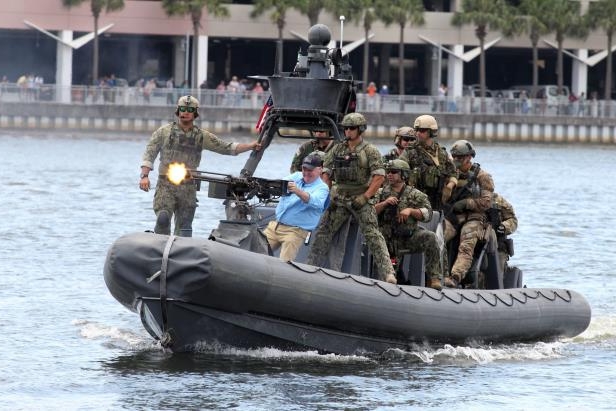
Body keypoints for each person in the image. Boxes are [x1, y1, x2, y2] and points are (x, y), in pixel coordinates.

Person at [139, 95, 261, 237]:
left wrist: (250, 146)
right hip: (166, 184)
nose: (185, 112)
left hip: (188, 185)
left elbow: (226, 147)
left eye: (190, 110)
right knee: (163, 218)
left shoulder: (201, 136)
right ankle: (159, 244)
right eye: (183, 109)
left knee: (185, 227)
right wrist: (145, 176)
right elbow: (149, 153)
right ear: (178, 111)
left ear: (195, 113)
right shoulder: (164, 132)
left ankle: (180, 251)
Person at [306, 112, 397, 284]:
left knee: (373, 235)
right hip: (339, 198)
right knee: (323, 233)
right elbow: (326, 172)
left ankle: (388, 273)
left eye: (352, 128)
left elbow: (379, 176)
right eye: (345, 128)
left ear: (360, 129)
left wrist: (366, 197)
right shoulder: (338, 149)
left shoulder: (370, 151)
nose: (348, 131)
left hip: (360, 199)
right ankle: (310, 267)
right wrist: (327, 192)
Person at [375, 160, 443, 290]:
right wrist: (384, 204)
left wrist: (411, 211)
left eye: (394, 172)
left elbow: (427, 214)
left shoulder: (415, 195)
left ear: (404, 175)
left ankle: (434, 278)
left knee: (431, 237)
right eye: (388, 171)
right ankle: (390, 278)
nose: (389, 174)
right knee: (391, 270)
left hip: (409, 238)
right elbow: (370, 212)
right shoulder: (380, 193)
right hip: (388, 241)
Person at [442, 139, 494, 288]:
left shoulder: (482, 177)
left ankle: (455, 277)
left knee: (466, 245)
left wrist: (467, 203)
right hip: (454, 217)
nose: (456, 160)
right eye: (454, 157)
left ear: (469, 157)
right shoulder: (450, 175)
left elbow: (486, 202)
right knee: (438, 239)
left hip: (474, 217)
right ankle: (437, 273)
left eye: (460, 157)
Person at [263, 152, 330, 262]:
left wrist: (297, 191)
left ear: (320, 169)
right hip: (275, 226)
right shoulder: (296, 176)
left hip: (295, 232)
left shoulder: (322, 188)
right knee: (255, 254)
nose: (306, 173)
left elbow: (315, 201)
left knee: (285, 264)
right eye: (304, 169)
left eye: (310, 170)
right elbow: (280, 183)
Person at [398, 115, 457, 211]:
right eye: (416, 130)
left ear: (431, 132)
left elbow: (453, 171)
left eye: (421, 130)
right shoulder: (410, 151)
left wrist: (450, 185)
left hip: (437, 201)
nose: (417, 133)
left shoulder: (441, 152)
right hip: (416, 202)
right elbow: (398, 170)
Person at [488, 192, 518, 276]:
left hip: (497, 244)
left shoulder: (497, 199)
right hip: (474, 242)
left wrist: (504, 226)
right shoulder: (469, 199)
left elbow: (513, 220)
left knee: (497, 272)